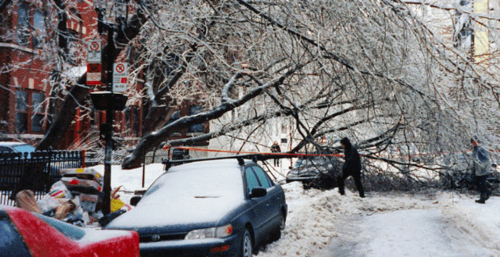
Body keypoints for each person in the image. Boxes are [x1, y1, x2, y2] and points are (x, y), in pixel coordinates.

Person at [471, 137, 492, 204]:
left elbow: (486, 159)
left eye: (474, 141)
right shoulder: (475, 149)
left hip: (483, 171)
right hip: (477, 171)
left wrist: (481, 164)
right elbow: (474, 160)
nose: (473, 143)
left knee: (482, 184)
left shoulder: (482, 149)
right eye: (472, 142)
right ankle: (488, 193)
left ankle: (482, 199)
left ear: (477, 141)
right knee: (477, 183)